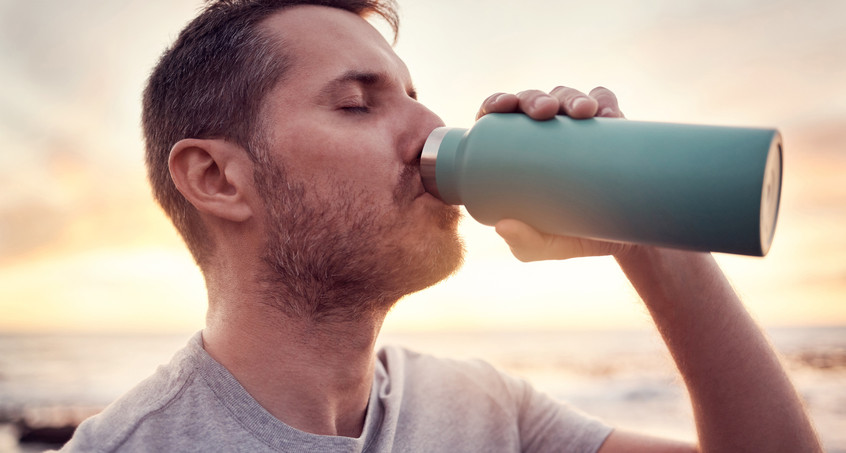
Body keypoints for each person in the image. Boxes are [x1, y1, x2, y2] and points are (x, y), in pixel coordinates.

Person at [61, 1, 822, 452]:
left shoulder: (486, 411)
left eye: (416, 96)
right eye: (358, 102)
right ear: (219, 178)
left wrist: (648, 242)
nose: (429, 125)